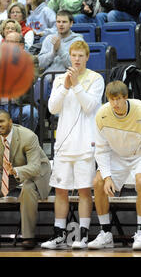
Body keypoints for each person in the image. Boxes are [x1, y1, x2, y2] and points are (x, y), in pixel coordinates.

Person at [42, 40, 104, 250]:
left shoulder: (96, 79)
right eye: (73, 55)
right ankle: (59, 235)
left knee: (84, 191)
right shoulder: (60, 79)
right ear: (70, 56)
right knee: (61, 190)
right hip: (63, 145)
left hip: (86, 143)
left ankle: (83, 235)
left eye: (80, 56)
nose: (76, 59)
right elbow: (52, 108)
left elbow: (89, 107)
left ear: (87, 57)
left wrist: (76, 84)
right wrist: (65, 87)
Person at [89, 80, 141, 250]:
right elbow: (100, 150)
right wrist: (107, 176)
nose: (115, 103)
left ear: (126, 97)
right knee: (98, 182)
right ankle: (106, 233)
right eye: (111, 99)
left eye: (118, 99)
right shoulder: (101, 114)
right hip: (117, 155)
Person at [0, 109, 51, 250]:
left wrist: (15, 170)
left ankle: (28, 237)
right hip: (10, 172)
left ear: (11, 122)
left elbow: (34, 167)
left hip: (38, 171)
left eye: (2, 121)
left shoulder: (28, 136)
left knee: (28, 189)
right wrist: (11, 171)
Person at [0, 31, 39, 131]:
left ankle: (25, 142)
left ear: (21, 46)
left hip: (19, 105)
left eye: (12, 42)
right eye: (6, 42)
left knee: (31, 113)